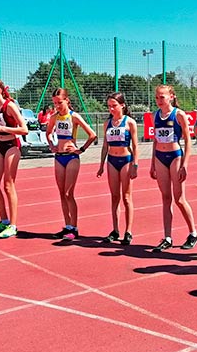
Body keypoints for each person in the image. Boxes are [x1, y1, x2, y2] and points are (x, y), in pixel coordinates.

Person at [150, 85, 197, 252]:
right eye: (157, 97)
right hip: (159, 157)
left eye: (162, 97)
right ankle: (167, 237)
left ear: (171, 97)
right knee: (165, 198)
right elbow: (156, 139)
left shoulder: (179, 114)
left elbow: (188, 140)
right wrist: (152, 163)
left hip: (175, 157)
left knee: (179, 198)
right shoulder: (155, 115)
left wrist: (185, 164)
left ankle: (193, 232)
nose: (159, 100)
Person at [46, 88, 97, 240]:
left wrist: (80, 149)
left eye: (59, 102)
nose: (57, 106)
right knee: (62, 193)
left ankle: (74, 227)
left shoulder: (74, 117)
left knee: (69, 193)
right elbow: (48, 132)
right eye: (55, 103)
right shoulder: (54, 117)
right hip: (59, 157)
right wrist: (51, 145)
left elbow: (92, 134)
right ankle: (67, 225)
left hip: (71, 157)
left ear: (67, 100)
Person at [0, 78, 28, 239]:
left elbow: (24, 129)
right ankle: (3, 220)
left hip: (12, 146)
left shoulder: (9, 105)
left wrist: (1, 128)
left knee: (9, 185)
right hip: (0, 145)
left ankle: (13, 225)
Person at [97, 92, 139, 245]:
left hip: (126, 160)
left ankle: (128, 231)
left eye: (114, 106)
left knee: (126, 197)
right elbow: (104, 145)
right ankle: (115, 230)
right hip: (112, 161)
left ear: (122, 105)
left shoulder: (130, 122)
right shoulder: (107, 123)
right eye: (109, 106)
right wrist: (101, 165)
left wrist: (135, 164)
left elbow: (135, 145)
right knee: (114, 197)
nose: (111, 109)